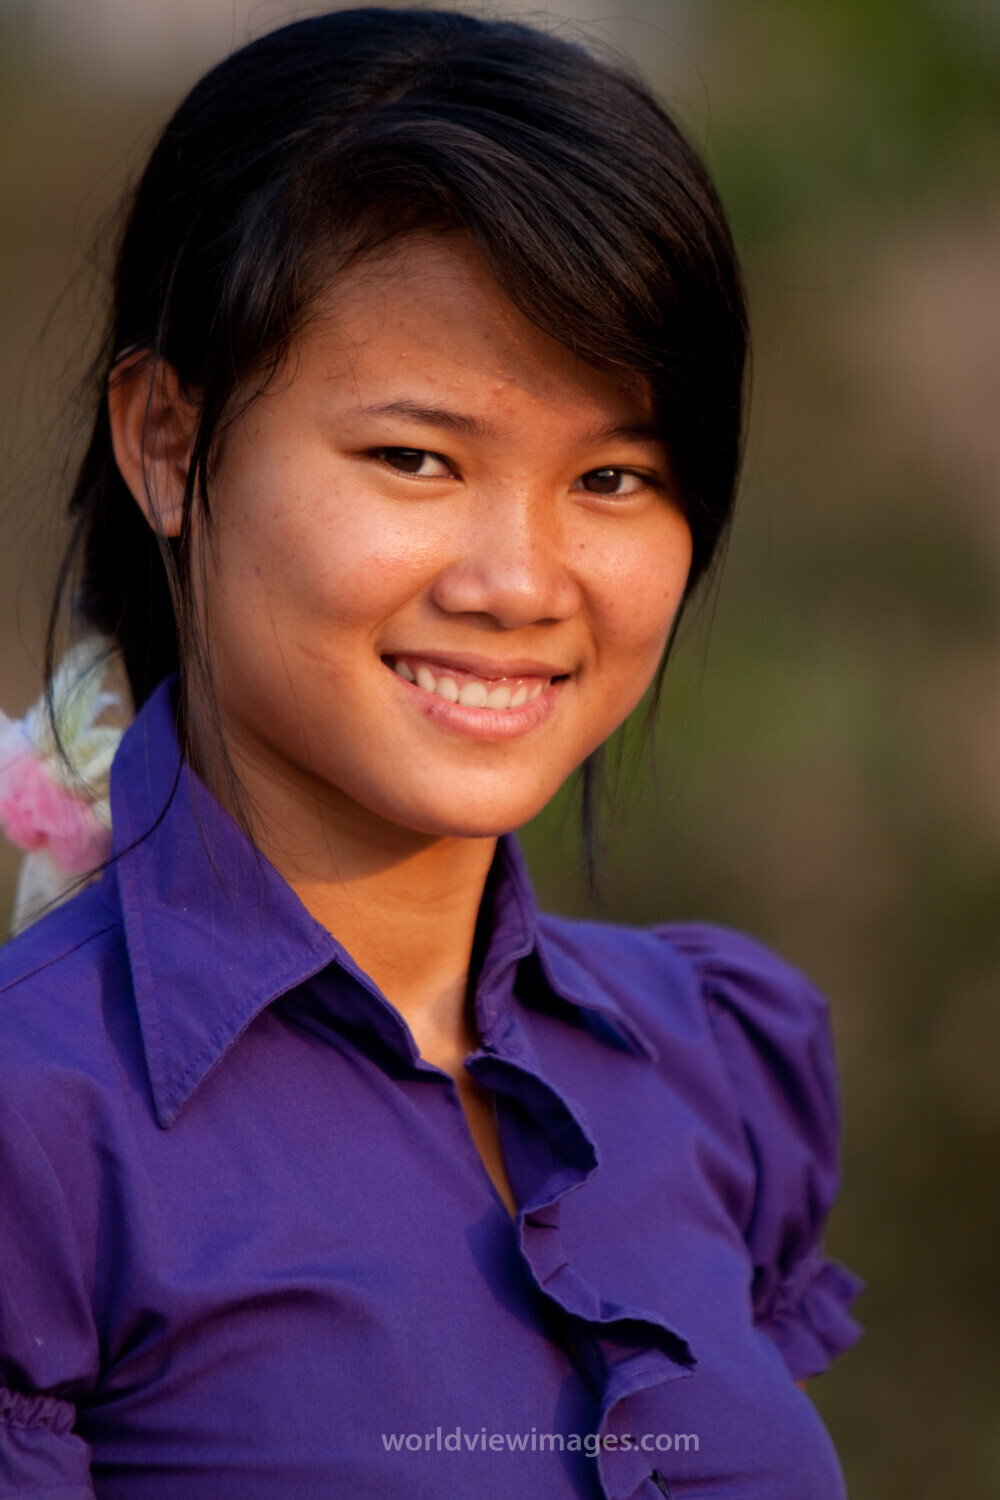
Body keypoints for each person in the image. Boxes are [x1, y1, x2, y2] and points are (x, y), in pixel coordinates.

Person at [0, 10, 864, 1498]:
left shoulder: (718, 1064)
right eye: (416, 457)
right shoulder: (37, 1121)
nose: (520, 582)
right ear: (162, 443)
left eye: (612, 476)